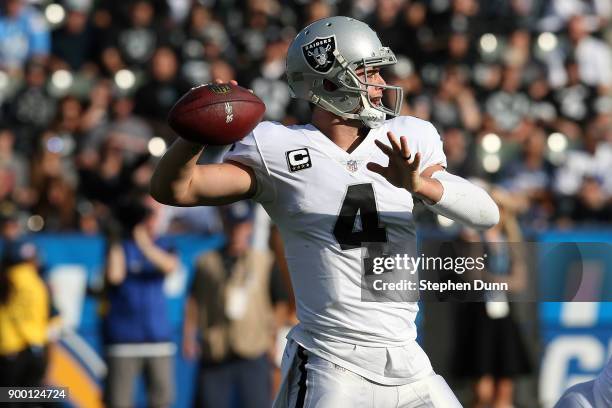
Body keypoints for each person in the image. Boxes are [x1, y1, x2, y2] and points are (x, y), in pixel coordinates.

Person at [151, 16, 499, 407]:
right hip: (332, 363)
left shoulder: (407, 136)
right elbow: (176, 189)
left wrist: (421, 185)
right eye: (369, 73)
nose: (382, 84)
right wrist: (193, 135)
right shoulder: (276, 147)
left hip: (407, 359)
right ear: (329, 81)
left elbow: (487, 214)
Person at [183, 202, 277, 408]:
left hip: (253, 348)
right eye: (231, 225)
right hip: (216, 348)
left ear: (249, 227)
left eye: (241, 226)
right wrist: (188, 335)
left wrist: (273, 339)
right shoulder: (206, 262)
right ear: (224, 225)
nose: (236, 232)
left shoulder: (263, 261)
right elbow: (194, 300)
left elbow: (277, 302)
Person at [102, 197, 178, 408]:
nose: (149, 220)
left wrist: (143, 242)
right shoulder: (121, 245)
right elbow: (115, 275)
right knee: (119, 401)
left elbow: (170, 266)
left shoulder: (164, 244)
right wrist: (116, 239)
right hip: (124, 339)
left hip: (157, 340)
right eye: (145, 214)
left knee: (162, 401)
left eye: (153, 214)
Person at [0, 210, 49, 390]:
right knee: (33, 396)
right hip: (33, 348)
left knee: (9, 397)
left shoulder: (9, 279)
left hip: (10, 350)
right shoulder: (38, 283)